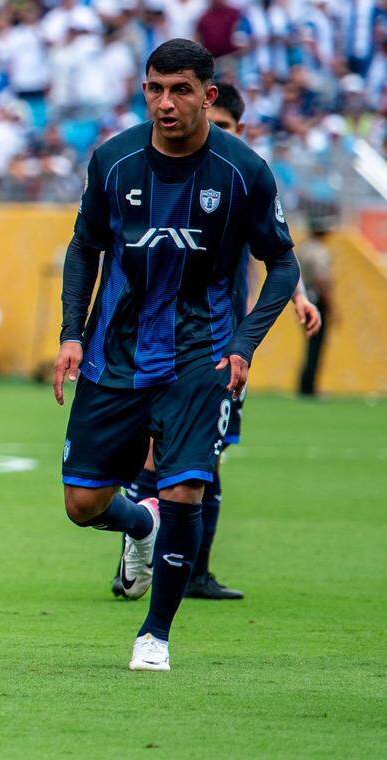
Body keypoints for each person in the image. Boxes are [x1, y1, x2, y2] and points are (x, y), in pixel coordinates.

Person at [53, 40, 301, 671]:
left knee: (185, 486)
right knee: (82, 504)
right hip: (115, 355)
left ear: (208, 96)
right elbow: (84, 249)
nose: (166, 103)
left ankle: (154, 635)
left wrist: (244, 343)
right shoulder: (113, 160)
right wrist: (71, 335)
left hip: (202, 355)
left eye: (181, 90)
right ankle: (141, 525)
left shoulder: (243, 171)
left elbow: (282, 264)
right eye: (155, 89)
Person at [108, 81, 323, 601]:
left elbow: (274, 250)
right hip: (165, 339)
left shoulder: (240, 176)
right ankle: (140, 556)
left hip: (222, 342)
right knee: (159, 454)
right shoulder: (173, 175)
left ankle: (190, 570)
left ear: (237, 128)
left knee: (210, 457)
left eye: (224, 126)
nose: (213, 132)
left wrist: (297, 295)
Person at [297, 208, 335, 396]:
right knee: (316, 345)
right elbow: (321, 280)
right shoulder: (319, 251)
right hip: (317, 300)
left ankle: (305, 383)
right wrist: (332, 307)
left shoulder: (303, 248)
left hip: (305, 298)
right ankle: (309, 386)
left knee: (310, 344)